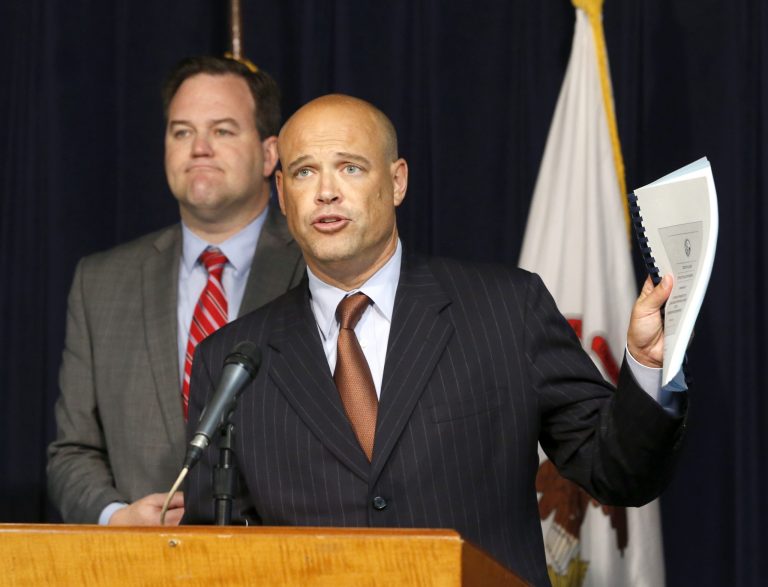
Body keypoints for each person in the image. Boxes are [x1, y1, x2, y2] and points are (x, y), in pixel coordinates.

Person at [182, 94, 686, 586]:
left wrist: (643, 366)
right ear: (281, 191)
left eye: (351, 167)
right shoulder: (230, 360)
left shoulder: (507, 309)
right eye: (304, 171)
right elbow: (213, 552)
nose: (326, 192)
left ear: (397, 180)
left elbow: (619, 472)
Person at [47, 56, 305, 526]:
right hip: (141, 569)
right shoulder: (100, 282)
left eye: (223, 131)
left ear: (270, 155)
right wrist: (115, 517)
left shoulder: (314, 270)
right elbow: (72, 452)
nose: (199, 148)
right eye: (182, 132)